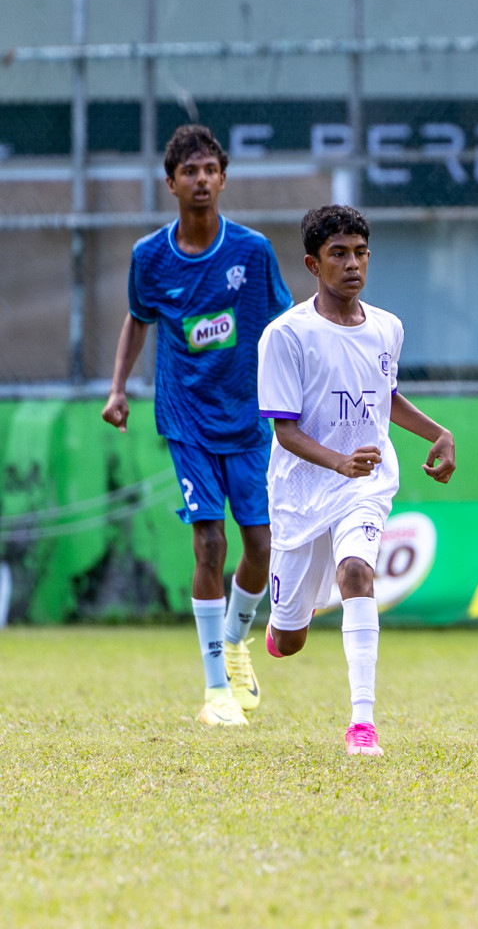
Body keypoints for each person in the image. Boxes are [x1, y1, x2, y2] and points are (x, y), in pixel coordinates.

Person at [102, 125, 293, 728]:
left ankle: (236, 644)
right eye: (191, 171)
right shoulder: (149, 258)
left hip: (249, 418)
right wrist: (117, 388)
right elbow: (137, 320)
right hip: (185, 419)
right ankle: (215, 690)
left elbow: (286, 326)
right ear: (171, 183)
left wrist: (300, 393)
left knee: (261, 547)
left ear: (224, 178)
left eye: (211, 169)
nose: (202, 180)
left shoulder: (253, 252)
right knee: (210, 542)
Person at [257, 205, 456, 757]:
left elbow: (385, 396)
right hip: (301, 493)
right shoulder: (286, 335)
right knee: (290, 642)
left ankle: (361, 724)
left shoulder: (388, 327)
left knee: (356, 573)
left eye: (361, 252)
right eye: (338, 254)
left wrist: (437, 432)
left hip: (365, 484)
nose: (352, 264)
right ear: (312, 264)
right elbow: (285, 431)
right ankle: (284, 622)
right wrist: (336, 461)